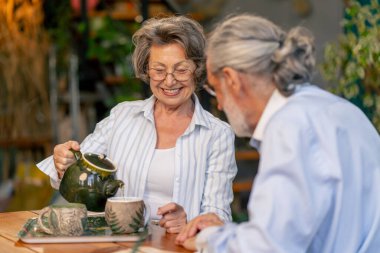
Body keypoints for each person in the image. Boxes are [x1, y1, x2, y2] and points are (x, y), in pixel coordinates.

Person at [176, 14, 380, 252]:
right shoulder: (339, 109)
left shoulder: (288, 127)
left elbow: (269, 247)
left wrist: (209, 239)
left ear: (232, 80)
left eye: (215, 90)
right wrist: (228, 233)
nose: (219, 105)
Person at [37, 16, 237, 234]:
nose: (169, 81)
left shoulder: (217, 134)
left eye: (181, 70)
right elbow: (76, 175)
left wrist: (189, 222)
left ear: (197, 69)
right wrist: (62, 163)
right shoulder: (122, 116)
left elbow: (219, 216)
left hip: (179, 246)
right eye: (159, 70)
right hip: (120, 246)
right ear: (146, 69)